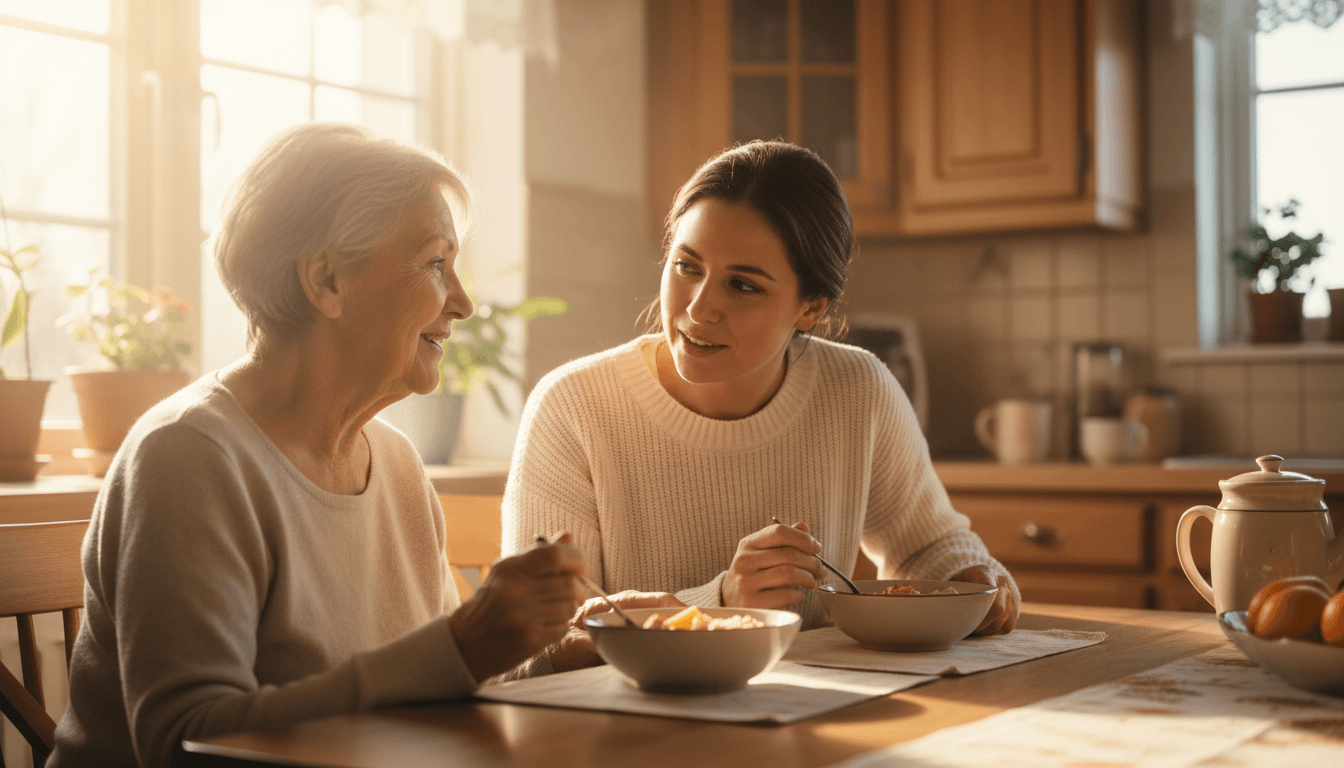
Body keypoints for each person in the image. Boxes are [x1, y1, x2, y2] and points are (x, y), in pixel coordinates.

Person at [49, 123, 597, 767]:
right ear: (327, 281)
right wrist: (462, 645)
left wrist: (560, 650)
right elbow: (184, 744)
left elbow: (431, 686)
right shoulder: (188, 456)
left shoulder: (393, 462)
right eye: (434, 263)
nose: (464, 303)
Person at [502, 140, 1019, 636]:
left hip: (817, 716)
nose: (699, 307)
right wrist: (720, 603)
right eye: (686, 266)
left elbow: (929, 546)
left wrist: (972, 576)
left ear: (811, 308)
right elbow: (532, 647)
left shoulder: (858, 391)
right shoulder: (572, 406)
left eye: (743, 285)